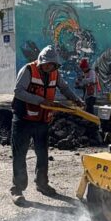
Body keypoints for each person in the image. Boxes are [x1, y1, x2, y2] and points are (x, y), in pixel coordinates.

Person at [10, 45, 84, 205]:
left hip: (42, 120)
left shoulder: (55, 74)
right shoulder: (28, 70)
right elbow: (18, 91)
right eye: (47, 64)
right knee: (19, 154)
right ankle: (17, 190)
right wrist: (41, 101)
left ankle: (42, 184)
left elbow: (64, 88)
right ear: (41, 62)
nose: (49, 67)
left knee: (42, 154)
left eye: (52, 65)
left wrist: (75, 99)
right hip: (23, 119)